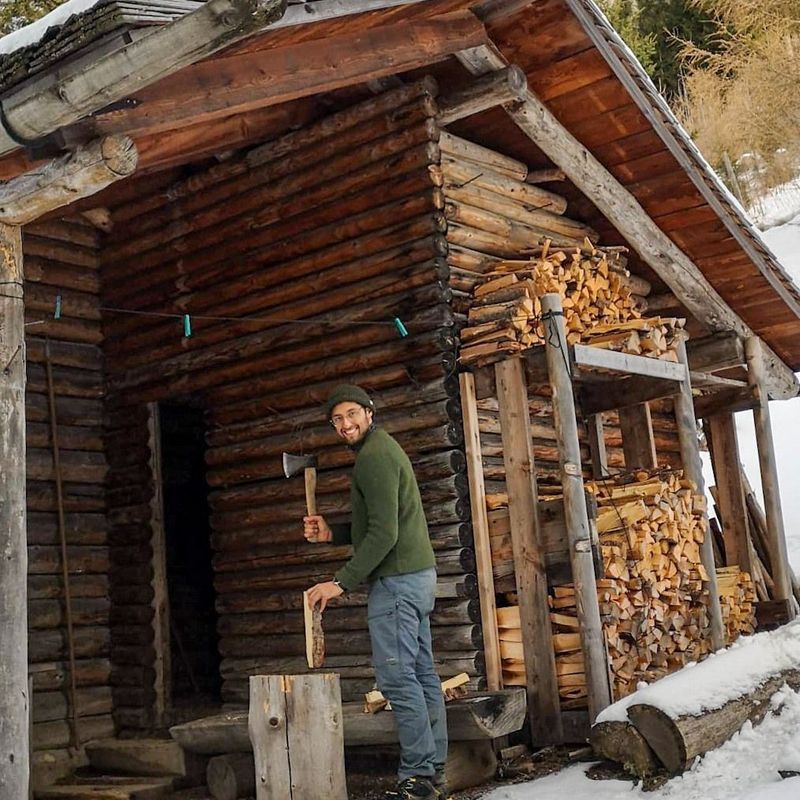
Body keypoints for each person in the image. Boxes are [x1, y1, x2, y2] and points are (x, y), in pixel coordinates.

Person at [305, 384, 448, 800]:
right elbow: (381, 525)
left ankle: (418, 777)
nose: (345, 424)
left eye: (352, 414)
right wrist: (334, 533)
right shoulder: (379, 452)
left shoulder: (374, 458)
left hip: (398, 583)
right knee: (420, 675)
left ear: (369, 413)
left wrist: (341, 581)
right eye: (338, 419)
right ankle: (433, 769)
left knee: (397, 678)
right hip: (415, 577)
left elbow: (385, 534)